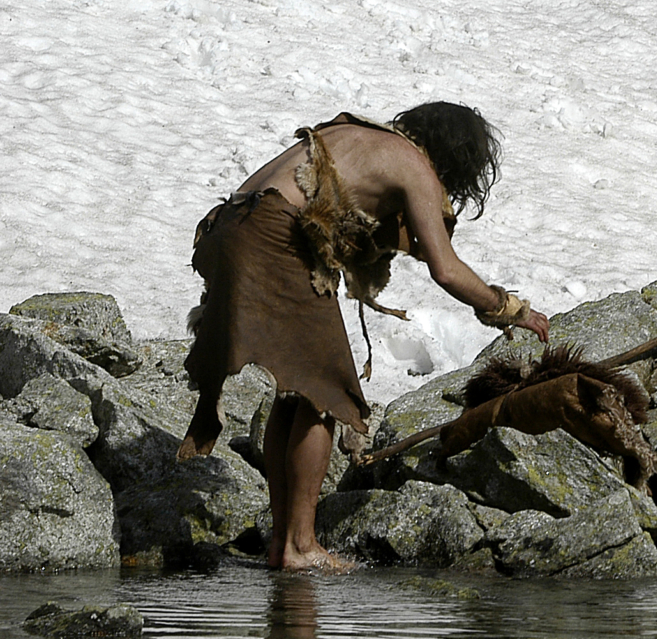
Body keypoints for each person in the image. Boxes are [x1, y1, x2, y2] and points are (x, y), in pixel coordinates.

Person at [177, 103, 550, 570]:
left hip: (231, 224)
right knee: (327, 393)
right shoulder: (413, 164)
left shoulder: (360, 136)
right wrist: (509, 309)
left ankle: (283, 545)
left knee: (296, 393)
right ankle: (300, 546)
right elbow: (446, 269)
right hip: (274, 233)